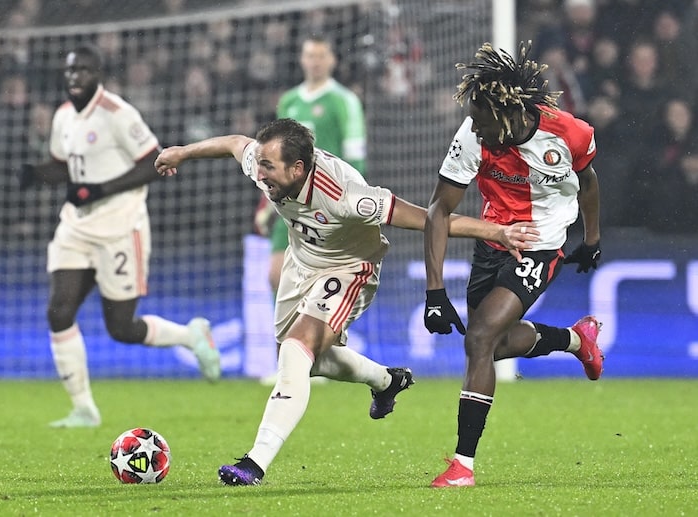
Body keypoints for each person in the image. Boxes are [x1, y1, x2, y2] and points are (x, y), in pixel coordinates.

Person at [154, 117, 540, 485]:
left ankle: (254, 463)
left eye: (269, 166)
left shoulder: (346, 197)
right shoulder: (262, 164)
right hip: (300, 263)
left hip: (350, 268)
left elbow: (430, 219)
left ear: (298, 169)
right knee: (308, 361)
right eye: (261, 163)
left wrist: (497, 232)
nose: (261, 172)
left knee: (296, 349)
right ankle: (387, 380)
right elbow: (234, 143)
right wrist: (182, 153)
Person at [423, 42, 604, 488]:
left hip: (542, 244)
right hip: (492, 241)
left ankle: (463, 466)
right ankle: (574, 340)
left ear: (510, 114)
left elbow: (588, 181)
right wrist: (435, 291)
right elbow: (438, 211)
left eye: (482, 121)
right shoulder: (472, 136)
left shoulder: (569, 134)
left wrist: (592, 239)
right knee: (490, 345)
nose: (475, 128)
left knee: (480, 337)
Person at [19, 44, 221, 428]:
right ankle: (83, 409)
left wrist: (99, 189)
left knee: (121, 328)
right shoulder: (63, 116)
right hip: (76, 227)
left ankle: (191, 335)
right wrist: (36, 173)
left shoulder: (117, 114)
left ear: (98, 74)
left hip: (120, 228)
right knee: (59, 310)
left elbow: (153, 162)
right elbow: (65, 167)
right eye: (70, 70)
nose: (75, 76)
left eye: (83, 70)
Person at [256, 35, 368, 385]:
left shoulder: (344, 101)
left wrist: (351, 203)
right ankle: (286, 362)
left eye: (321, 55)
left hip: (326, 204)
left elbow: (355, 154)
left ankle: (311, 356)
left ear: (331, 60)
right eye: (309, 55)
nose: (315, 61)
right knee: (276, 274)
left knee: (319, 280)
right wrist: (264, 203)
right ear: (302, 59)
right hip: (288, 204)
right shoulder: (289, 100)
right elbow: (271, 159)